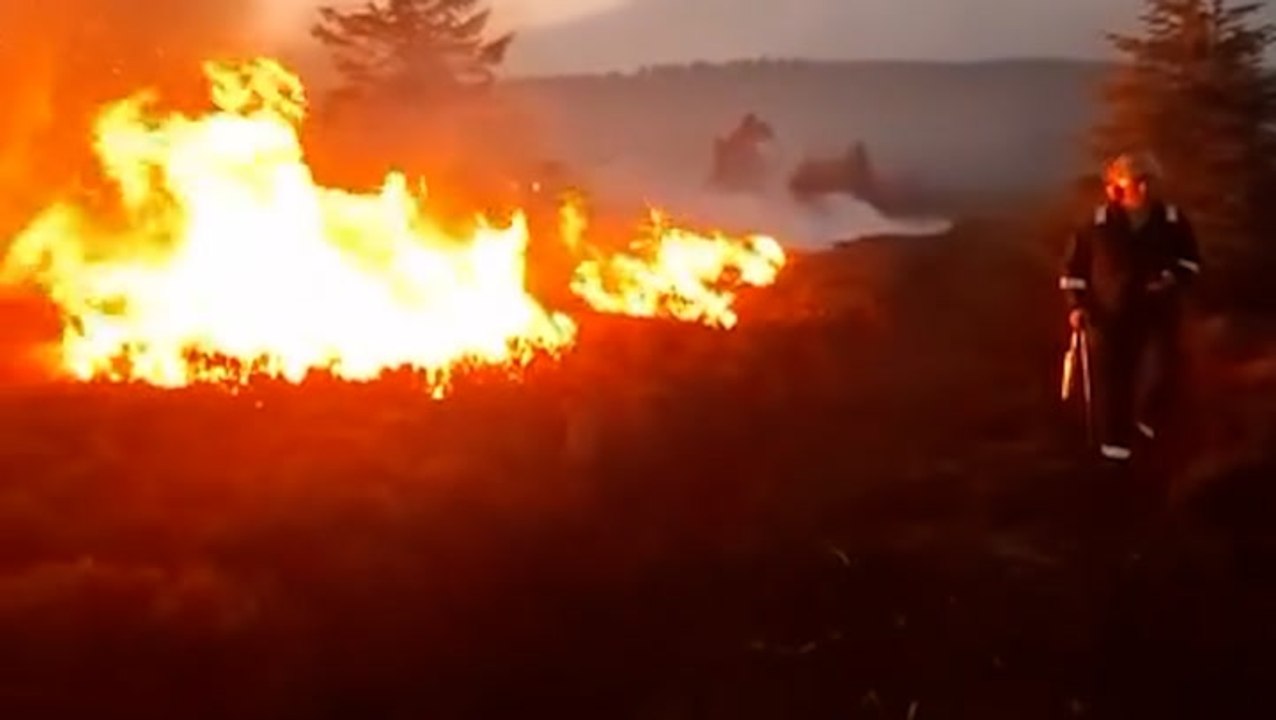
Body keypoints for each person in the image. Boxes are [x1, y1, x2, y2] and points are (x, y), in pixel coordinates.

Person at [1060, 152, 1202, 462]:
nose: (1144, 187)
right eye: (1136, 180)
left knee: (1165, 368)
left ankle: (1148, 419)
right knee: (1113, 378)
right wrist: (1077, 306)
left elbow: (1191, 262)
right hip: (1110, 313)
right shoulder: (1096, 224)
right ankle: (1115, 447)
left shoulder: (1172, 220)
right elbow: (1074, 270)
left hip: (1158, 310)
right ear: (1117, 186)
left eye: (1148, 180)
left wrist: (1171, 278)